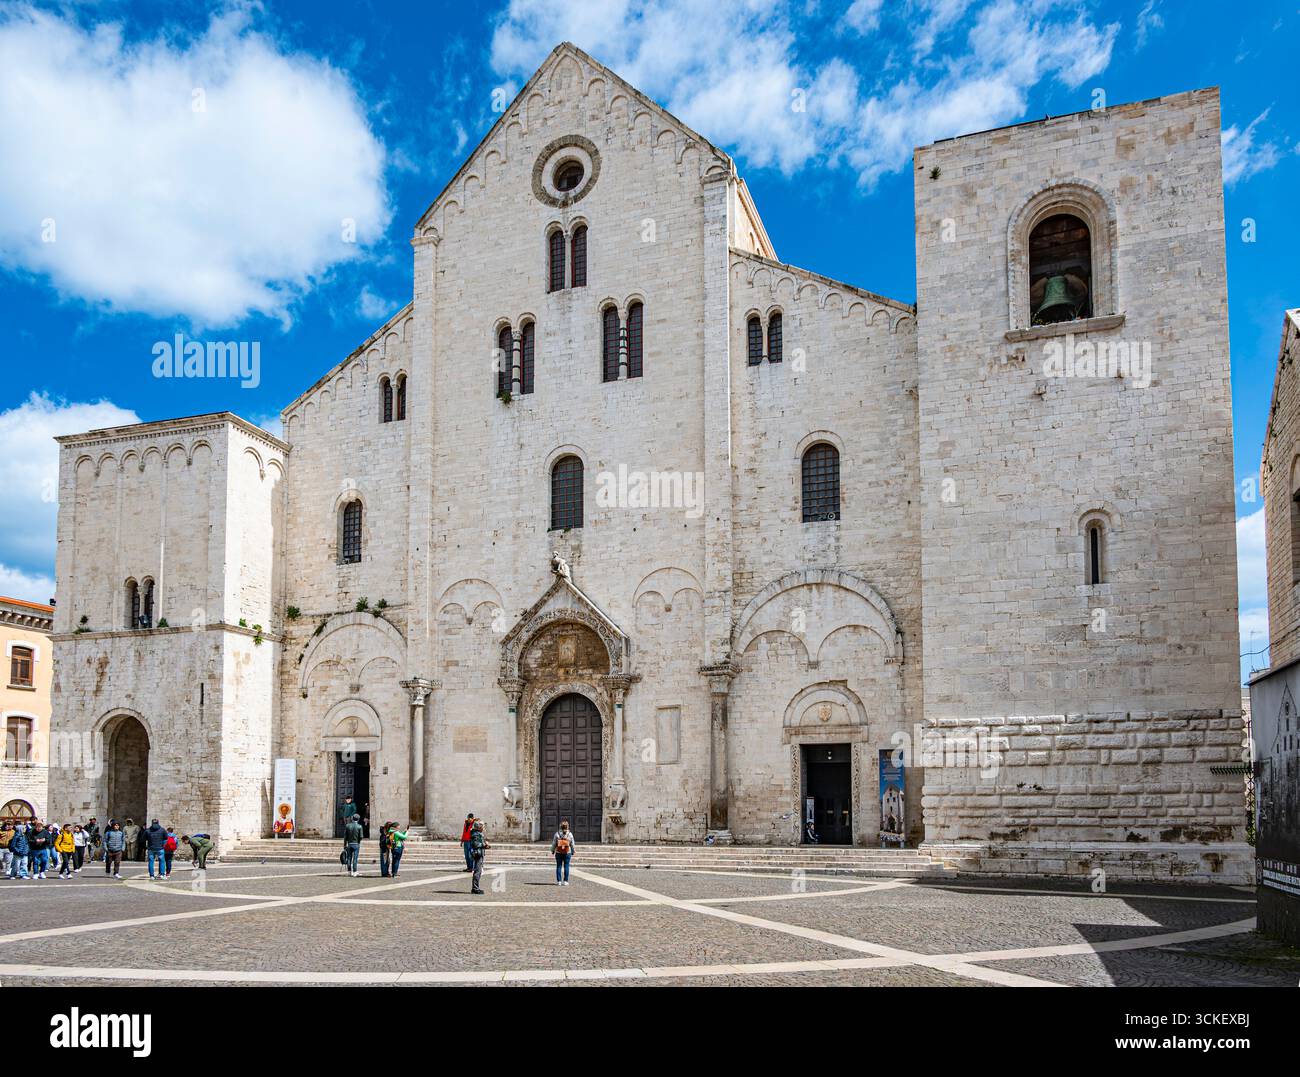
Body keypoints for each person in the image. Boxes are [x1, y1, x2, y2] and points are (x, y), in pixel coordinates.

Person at [551, 820, 576, 886]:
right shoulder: (570, 834)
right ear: (567, 827)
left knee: (558, 866)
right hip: (567, 852)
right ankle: (565, 881)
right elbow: (572, 844)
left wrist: (552, 850)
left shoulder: (557, 834)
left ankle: (559, 881)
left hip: (559, 852)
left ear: (560, 827)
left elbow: (554, 843)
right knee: (566, 866)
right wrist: (573, 851)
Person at [469, 819, 488, 895]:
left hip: (479, 853)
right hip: (478, 854)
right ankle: (475, 888)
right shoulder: (476, 834)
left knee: (478, 871)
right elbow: (476, 844)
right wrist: (485, 845)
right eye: (482, 826)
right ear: (479, 827)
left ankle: (475, 887)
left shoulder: (477, 833)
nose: (483, 827)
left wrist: (485, 846)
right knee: (477, 871)